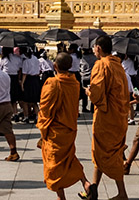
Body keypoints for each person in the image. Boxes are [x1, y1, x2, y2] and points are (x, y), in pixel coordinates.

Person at [36, 53, 94, 200]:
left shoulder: (52, 83)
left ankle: (61, 197)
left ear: (55, 66)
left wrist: (43, 129)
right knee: (69, 159)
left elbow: (45, 109)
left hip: (55, 130)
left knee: (54, 164)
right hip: (70, 129)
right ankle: (86, 184)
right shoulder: (74, 83)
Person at [87, 35, 130, 200]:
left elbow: (97, 94)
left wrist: (89, 92)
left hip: (106, 117)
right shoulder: (118, 65)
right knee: (102, 152)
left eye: (93, 48)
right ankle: (93, 189)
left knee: (109, 154)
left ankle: (122, 193)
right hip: (119, 116)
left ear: (98, 48)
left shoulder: (102, 65)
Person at [21, 47, 42, 123]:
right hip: (36, 79)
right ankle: (37, 116)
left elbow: (24, 74)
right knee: (34, 101)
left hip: (28, 80)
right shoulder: (36, 59)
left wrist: (22, 84)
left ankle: (26, 116)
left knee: (25, 101)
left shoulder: (26, 61)